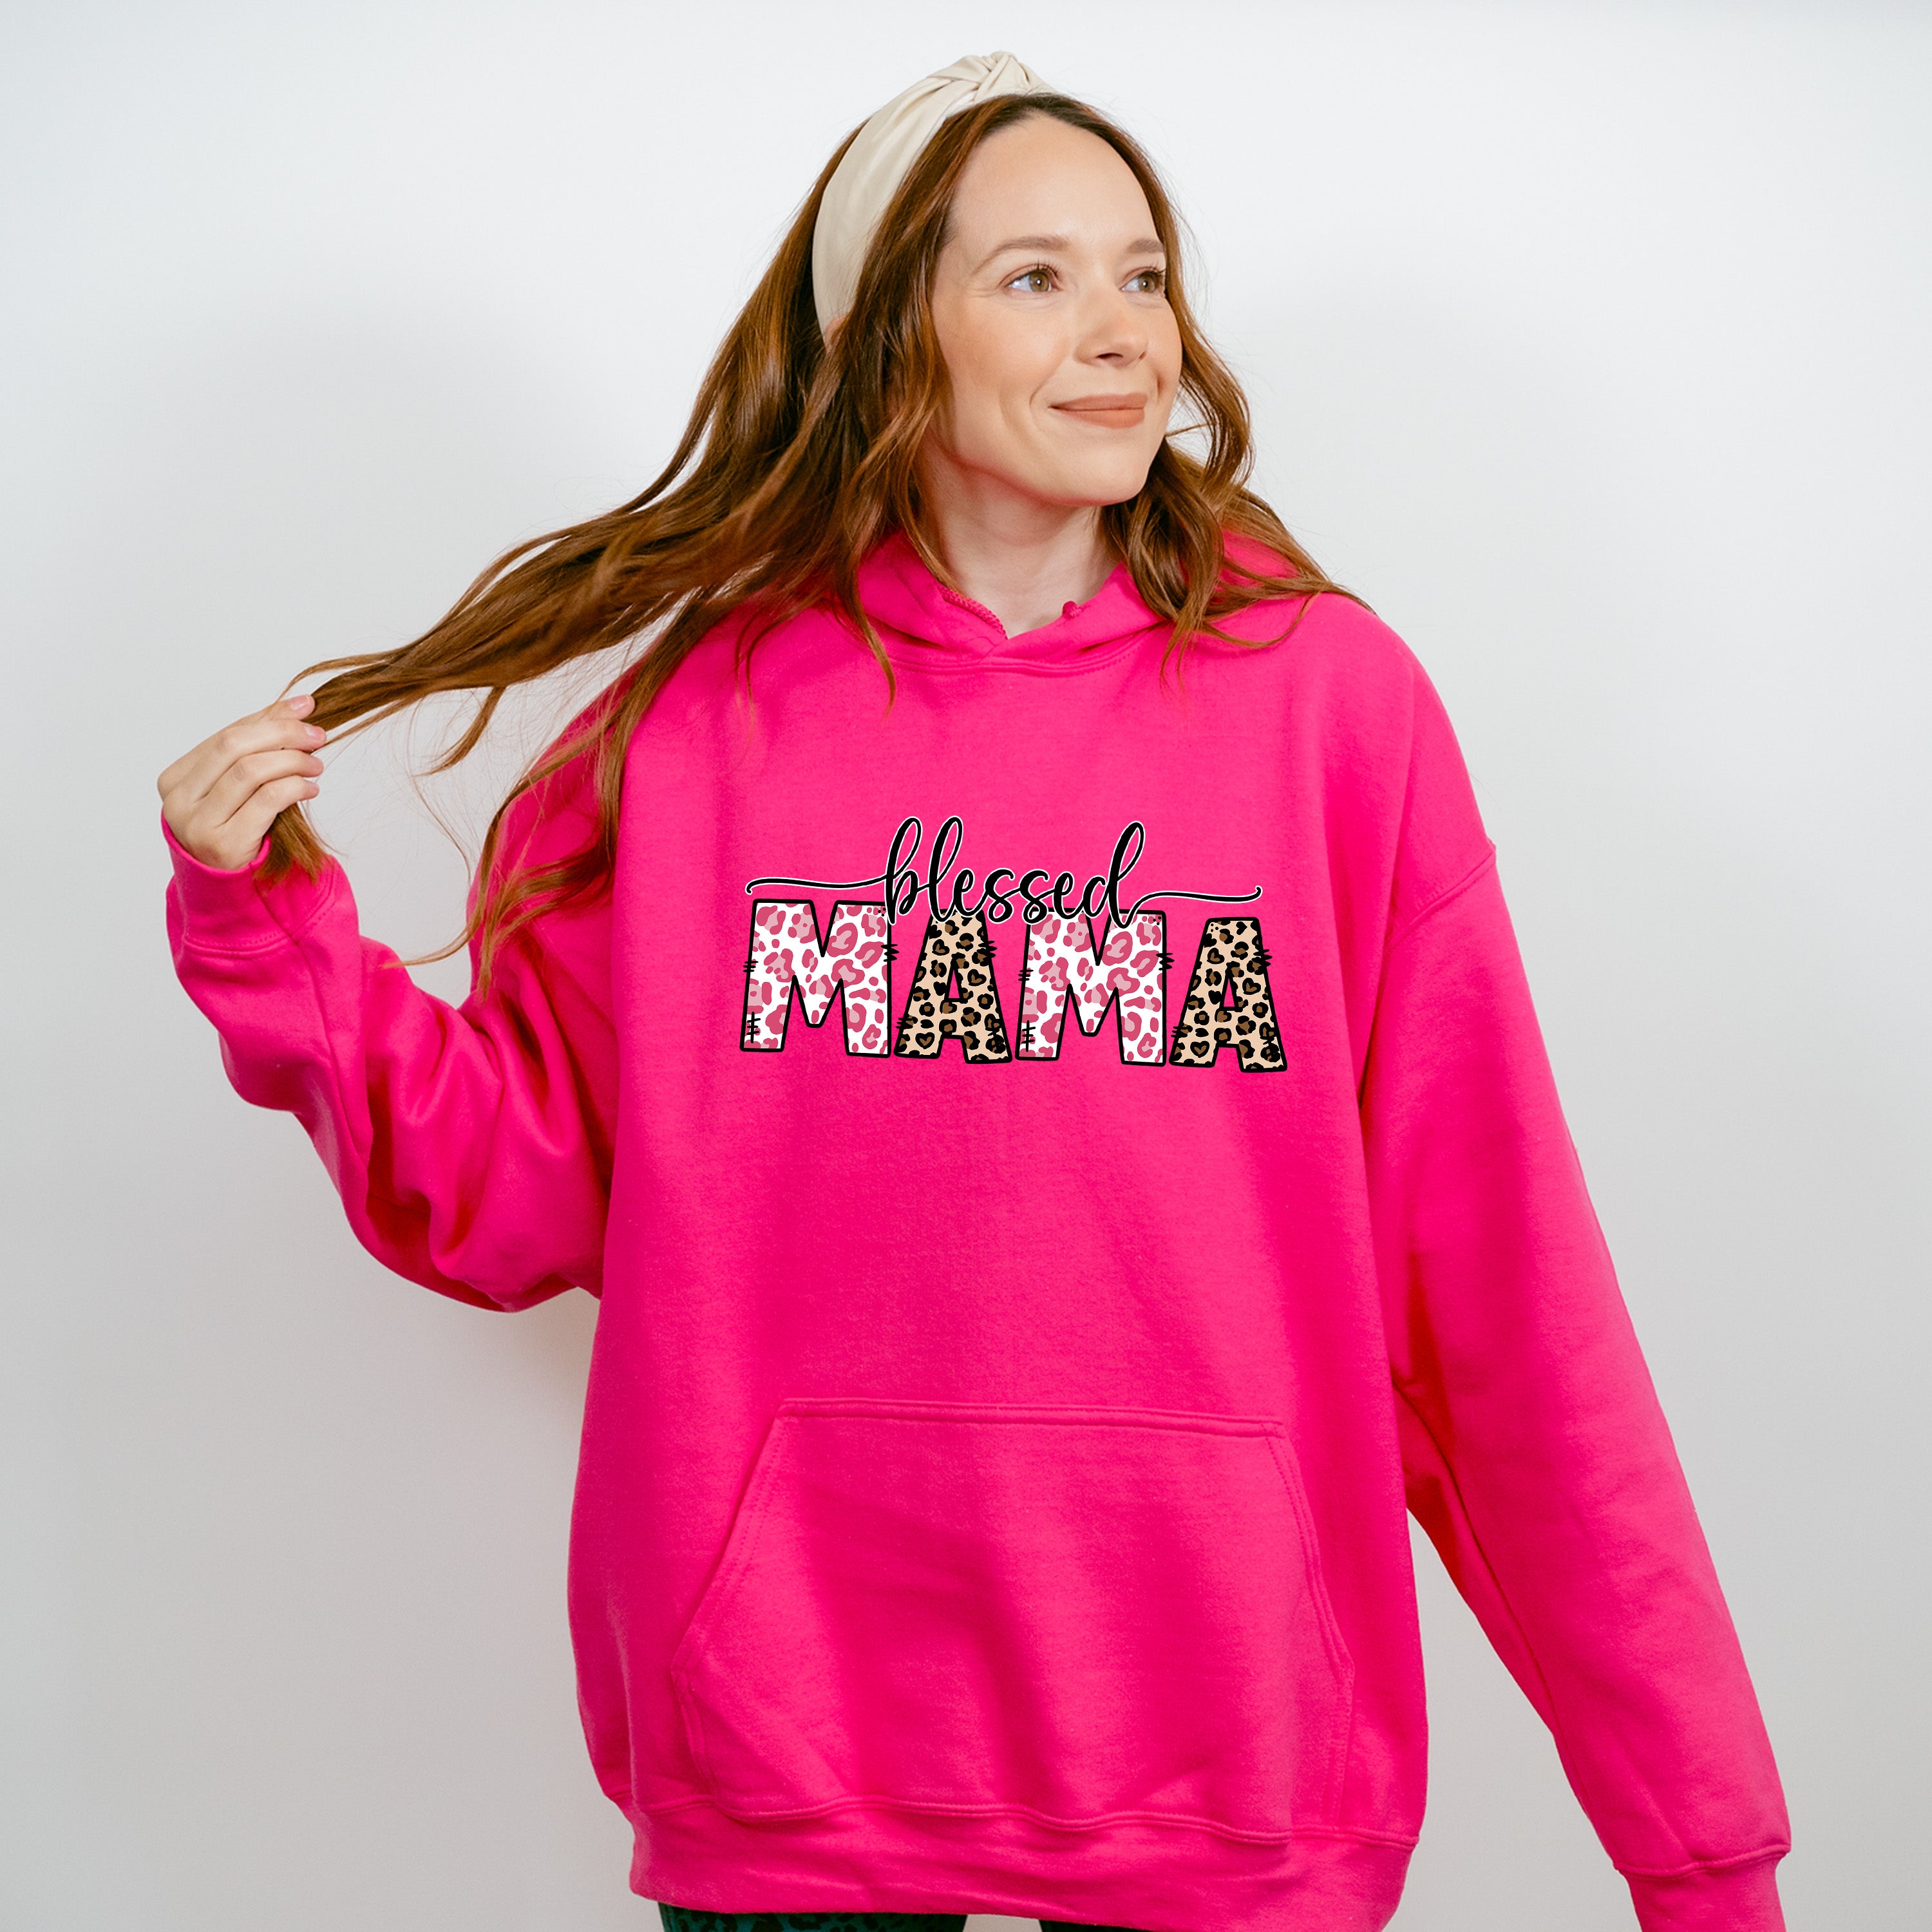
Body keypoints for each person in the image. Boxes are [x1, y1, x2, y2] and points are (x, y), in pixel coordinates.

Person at [156, 52, 1790, 1932]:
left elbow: (1503, 1291)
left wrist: (1700, 1844)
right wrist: (270, 934)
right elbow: (508, 1191)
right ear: (890, 336)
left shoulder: (1331, 710)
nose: (1121, 333)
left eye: (1142, 274)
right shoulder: (692, 733)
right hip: (797, 1749)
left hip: (1225, 1747)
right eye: (1036, 276)